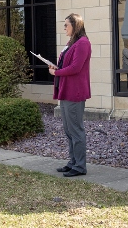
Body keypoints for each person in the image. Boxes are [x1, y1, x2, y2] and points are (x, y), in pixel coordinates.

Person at [49, 13, 91, 177]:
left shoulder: (83, 43)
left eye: (66, 25)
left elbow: (75, 68)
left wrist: (57, 72)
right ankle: (73, 162)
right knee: (68, 129)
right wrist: (56, 67)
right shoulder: (72, 43)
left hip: (75, 92)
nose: (64, 28)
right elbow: (67, 64)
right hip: (66, 90)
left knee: (76, 130)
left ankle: (80, 166)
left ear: (76, 25)